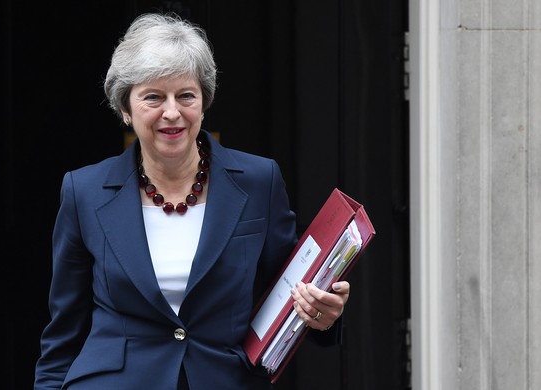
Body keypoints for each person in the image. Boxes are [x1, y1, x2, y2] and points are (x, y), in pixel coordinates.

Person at [34, 13, 351, 390]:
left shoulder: (259, 181)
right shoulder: (83, 190)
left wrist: (321, 312)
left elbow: (285, 295)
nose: (172, 112)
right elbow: (63, 334)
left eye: (186, 95)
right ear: (125, 108)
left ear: (203, 103)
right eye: (153, 96)